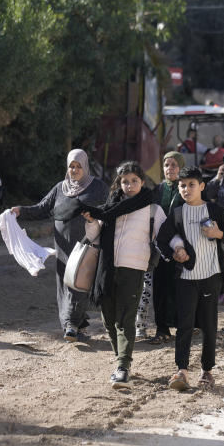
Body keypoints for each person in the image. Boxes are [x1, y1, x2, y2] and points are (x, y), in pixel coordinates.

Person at [81, 161, 166, 390]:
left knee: (125, 317)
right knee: (108, 318)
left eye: (134, 181)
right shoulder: (109, 207)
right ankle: (121, 358)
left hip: (134, 268)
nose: (129, 185)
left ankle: (123, 366)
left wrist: (176, 249)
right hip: (106, 270)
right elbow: (94, 236)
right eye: (125, 181)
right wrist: (90, 221)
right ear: (119, 183)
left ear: (142, 182)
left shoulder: (152, 209)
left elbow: (165, 236)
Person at [155, 166, 224, 391]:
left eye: (191, 185)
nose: (186, 189)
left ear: (202, 186)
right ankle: (181, 370)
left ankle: (207, 371)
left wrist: (218, 234)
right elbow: (160, 240)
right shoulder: (177, 214)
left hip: (211, 277)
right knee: (184, 326)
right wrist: (174, 254)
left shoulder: (216, 211)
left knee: (209, 326)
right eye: (182, 185)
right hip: (185, 278)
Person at [11, 149, 108, 341]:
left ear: (85, 166)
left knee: (79, 282)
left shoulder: (97, 187)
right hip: (63, 246)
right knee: (65, 284)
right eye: (71, 166)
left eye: (79, 166)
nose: (74, 169)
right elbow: (42, 208)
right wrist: (20, 211)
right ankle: (73, 325)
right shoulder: (60, 188)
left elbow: (108, 208)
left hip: (86, 244)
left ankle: (71, 324)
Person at [139, 151, 186, 344]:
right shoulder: (157, 190)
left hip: (183, 244)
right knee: (160, 286)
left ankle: (184, 326)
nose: (170, 169)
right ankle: (162, 328)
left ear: (181, 168)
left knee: (182, 286)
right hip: (160, 246)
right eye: (167, 165)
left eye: (174, 165)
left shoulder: (186, 188)